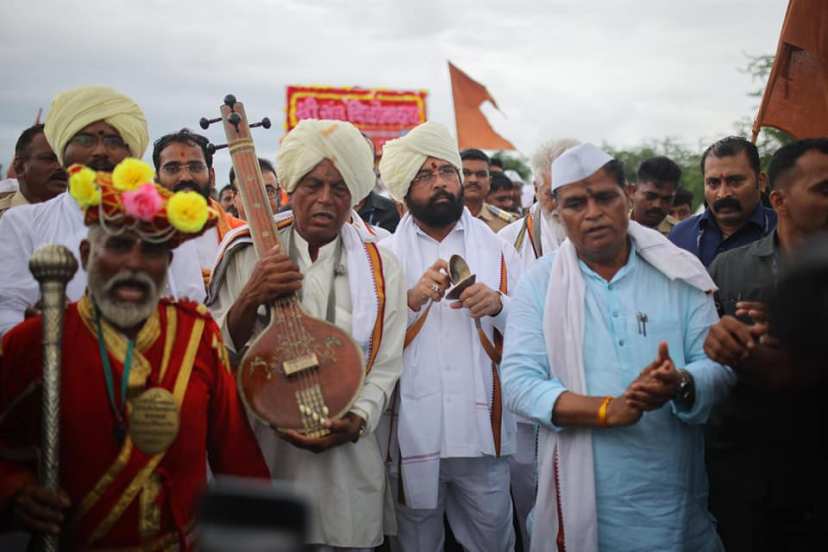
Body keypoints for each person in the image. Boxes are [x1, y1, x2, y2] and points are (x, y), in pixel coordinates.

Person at [0, 162, 270, 550]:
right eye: (120, 245)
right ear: (86, 251)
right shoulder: (36, 342)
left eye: (153, 250)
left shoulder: (197, 334)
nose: (134, 263)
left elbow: (237, 456)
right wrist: (17, 492)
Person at [501, 143, 733, 551]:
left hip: (670, 502)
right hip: (579, 500)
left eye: (604, 197)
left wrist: (680, 381)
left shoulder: (678, 272)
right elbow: (518, 382)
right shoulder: (540, 282)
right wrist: (607, 410)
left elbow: (718, 369)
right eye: (575, 203)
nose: (592, 212)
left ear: (627, 195)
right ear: (557, 210)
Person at [208, 119, 405, 551]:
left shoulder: (381, 268)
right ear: (288, 190)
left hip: (350, 460)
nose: (324, 199)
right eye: (312, 185)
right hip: (265, 451)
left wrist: (357, 420)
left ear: (355, 197)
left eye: (339, 189)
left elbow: (387, 364)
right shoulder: (246, 254)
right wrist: (251, 296)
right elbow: (213, 352)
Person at [379, 121, 521, 552]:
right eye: (425, 175)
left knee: (493, 540)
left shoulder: (498, 249)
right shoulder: (384, 255)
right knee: (418, 543)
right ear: (404, 190)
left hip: (482, 433)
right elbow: (362, 343)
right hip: (412, 434)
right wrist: (410, 300)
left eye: (446, 171)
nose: (440, 182)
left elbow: (535, 329)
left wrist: (498, 305)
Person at [702, 138, 828, 551]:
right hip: (749, 473)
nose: (723, 192)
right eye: (824, 189)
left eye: (734, 180)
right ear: (780, 198)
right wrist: (722, 343)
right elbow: (704, 355)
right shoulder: (728, 266)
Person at [0, 85, 205, 337]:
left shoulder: (166, 221)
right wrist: (39, 335)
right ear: (63, 149)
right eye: (85, 139)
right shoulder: (23, 223)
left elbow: (190, 308)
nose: (100, 151)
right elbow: (7, 311)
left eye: (114, 141)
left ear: (131, 153)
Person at [152, 129, 245, 284]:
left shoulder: (241, 234)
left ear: (212, 177)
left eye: (195, 167)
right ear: (157, 180)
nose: (185, 177)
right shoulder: (140, 236)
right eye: (172, 169)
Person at [669, 136, 776, 266]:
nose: (723, 193)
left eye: (735, 181)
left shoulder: (784, 231)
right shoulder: (680, 235)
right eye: (713, 183)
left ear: (761, 181)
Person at [500, 138, 574, 269]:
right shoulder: (508, 241)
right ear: (536, 189)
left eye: (571, 194)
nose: (561, 205)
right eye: (551, 195)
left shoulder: (608, 234)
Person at [0, 124, 66, 218]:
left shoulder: (84, 220)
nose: (61, 167)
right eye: (48, 159)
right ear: (20, 167)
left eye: (64, 159)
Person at [460, 148, 518, 232]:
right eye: (466, 173)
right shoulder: (441, 219)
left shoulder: (507, 224)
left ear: (489, 181)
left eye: (481, 174)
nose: (473, 180)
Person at [628, 156, 681, 235]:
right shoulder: (613, 227)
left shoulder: (681, 234)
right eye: (650, 196)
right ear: (633, 191)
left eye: (666, 199)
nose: (657, 205)